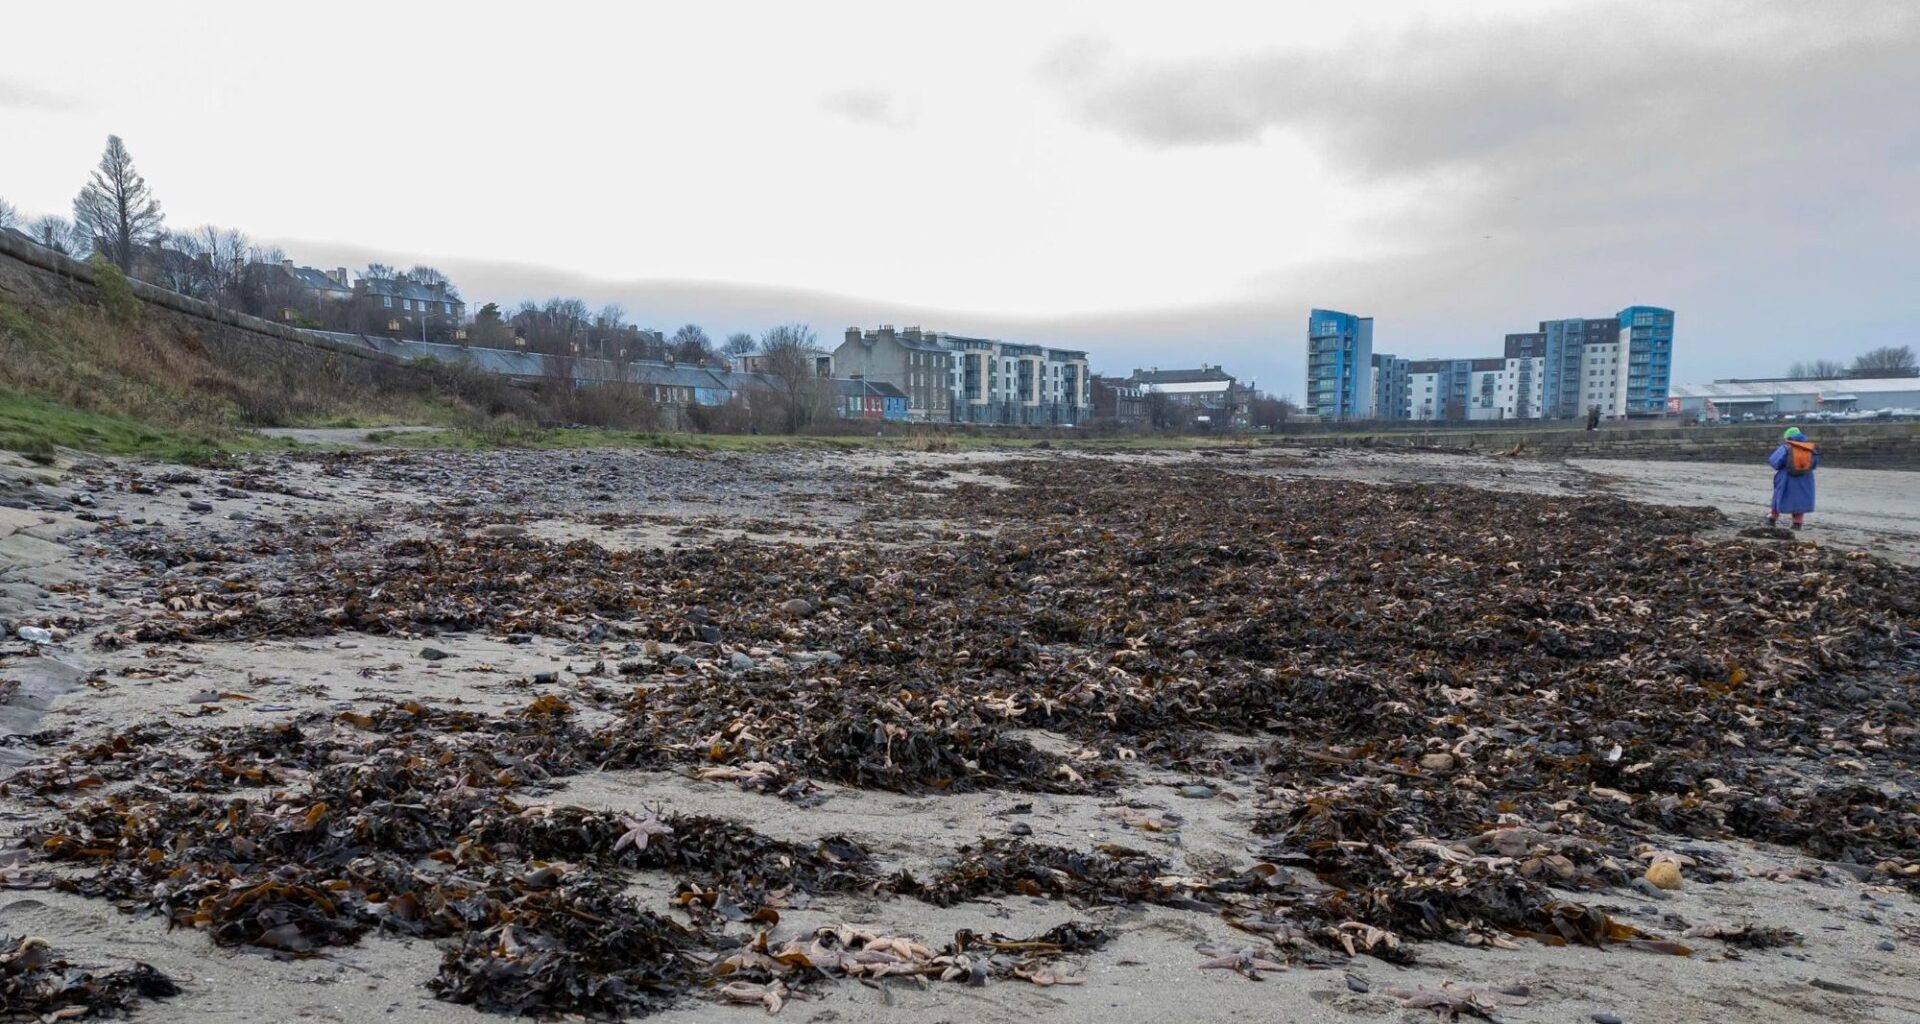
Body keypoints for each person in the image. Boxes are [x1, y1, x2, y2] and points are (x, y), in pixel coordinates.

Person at [1767, 426, 1818, 530]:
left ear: (1788, 438)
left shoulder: (1786, 447)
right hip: (1805, 477)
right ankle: (1797, 523)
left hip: (1786, 476)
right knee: (1800, 500)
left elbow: (1775, 462)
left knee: (1778, 497)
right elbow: (1814, 464)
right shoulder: (1810, 448)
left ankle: (1772, 519)